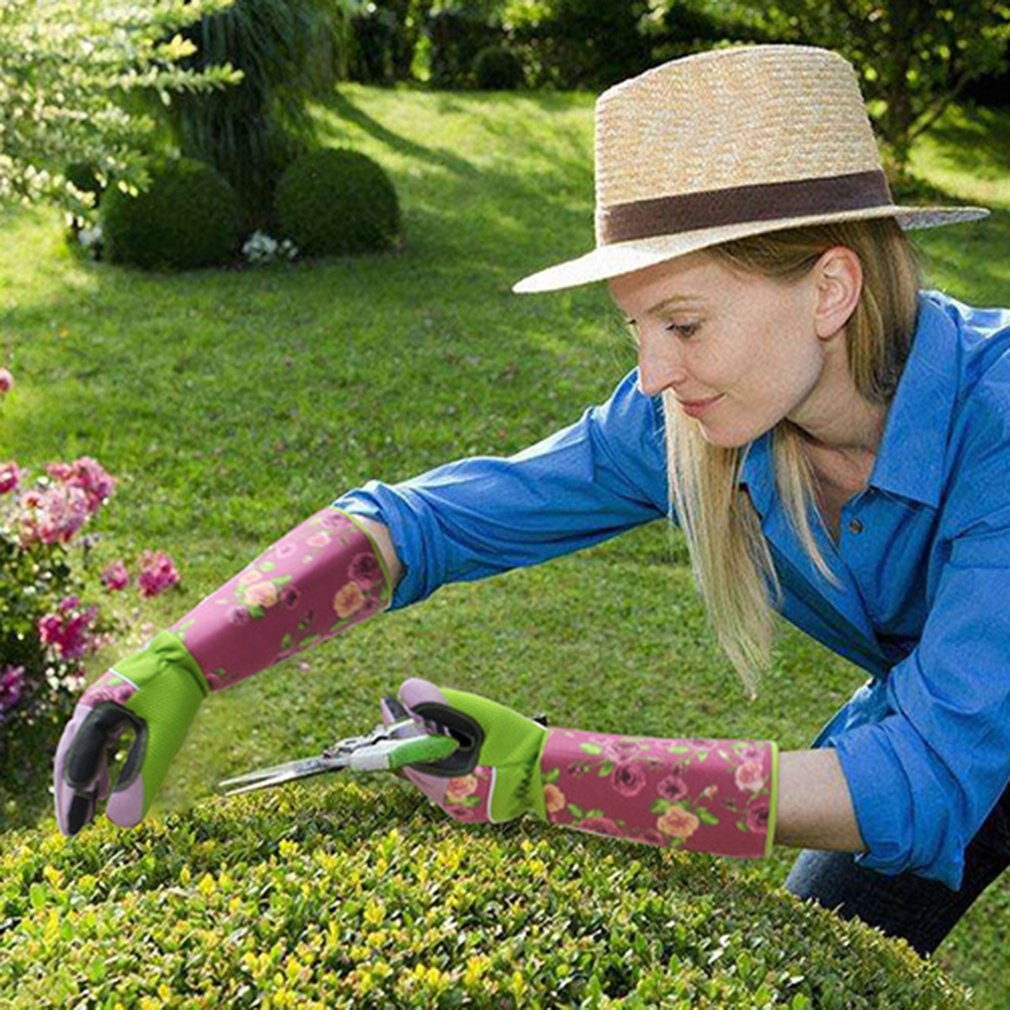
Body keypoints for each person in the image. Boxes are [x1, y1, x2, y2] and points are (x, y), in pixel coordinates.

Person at [53, 44, 1008, 959]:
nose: (653, 372)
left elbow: (915, 783)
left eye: (681, 323)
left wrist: (560, 774)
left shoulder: (998, 426)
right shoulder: (690, 424)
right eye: (636, 326)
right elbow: (432, 524)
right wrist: (184, 660)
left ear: (830, 288)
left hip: (941, 750)